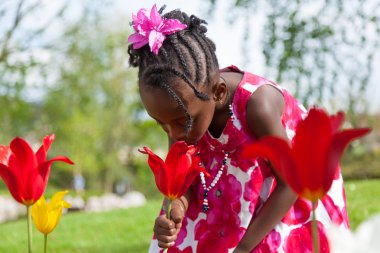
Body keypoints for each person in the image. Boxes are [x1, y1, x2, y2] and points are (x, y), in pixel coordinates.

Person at [127, 5, 349, 253]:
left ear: (218, 93)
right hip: (234, 186)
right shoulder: (182, 114)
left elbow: (290, 184)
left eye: (181, 122)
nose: (174, 134)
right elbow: (184, 178)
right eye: (161, 124)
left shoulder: (258, 106)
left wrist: (243, 248)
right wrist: (178, 204)